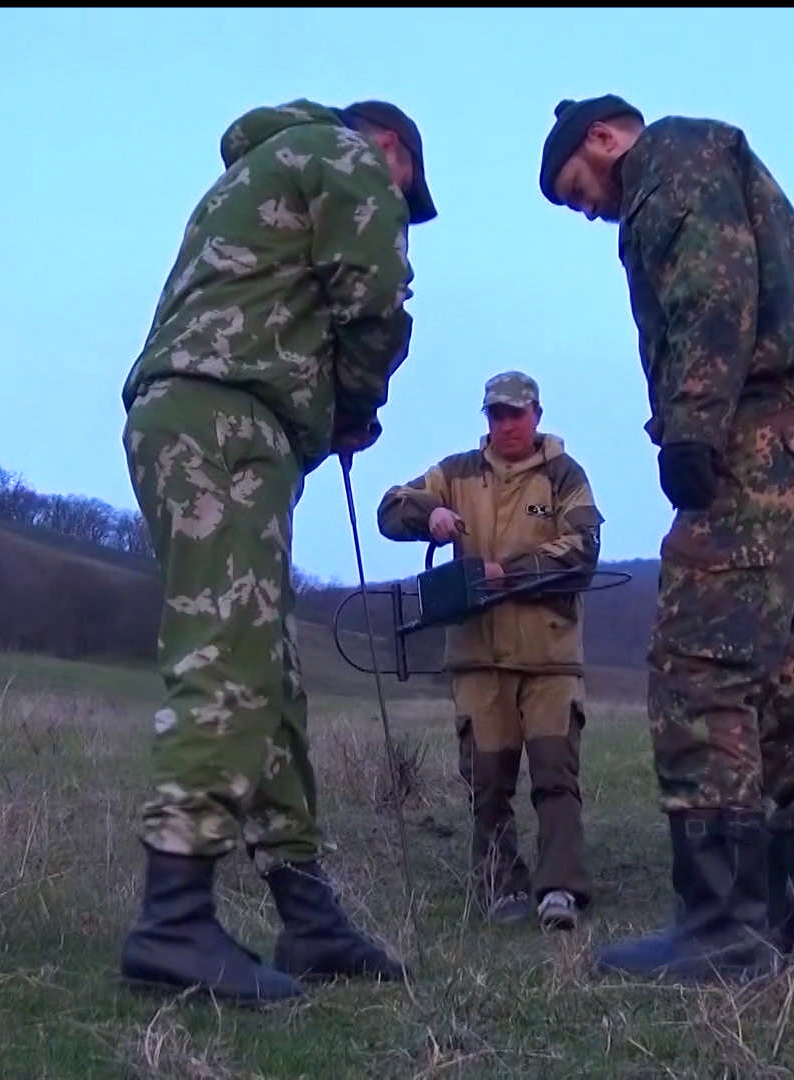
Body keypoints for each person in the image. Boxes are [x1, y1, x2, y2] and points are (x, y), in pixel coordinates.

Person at [539, 93, 794, 982]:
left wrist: (691, 425)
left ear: (603, 140)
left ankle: (724, 927)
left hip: (752, 435)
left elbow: (711, 289)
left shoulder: (673, 161)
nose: (589, 212)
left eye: (580, 190)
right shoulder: (702, 161)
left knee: (699, 665)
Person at [117, 98, 436, 1006]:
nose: (396, 202)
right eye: (404, 188)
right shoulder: (344, 154)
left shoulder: (256, 173)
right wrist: (356, 401)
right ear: (391, 151)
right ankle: (173, 918)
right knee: (229, 657)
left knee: (269, 670)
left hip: (209, 417)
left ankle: (307, 914)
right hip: (225, 418)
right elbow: (374, 296)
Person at [375, 371, 604, 932]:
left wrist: (512, 573)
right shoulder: (455, 472)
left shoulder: (564, 475)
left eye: (515, 414)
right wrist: (428, 515)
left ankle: (560, 890)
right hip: (478, 659)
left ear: (537, 415)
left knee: (555, 776)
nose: (505, 425)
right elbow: (390, 507)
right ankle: (501, 884)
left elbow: (583, 550)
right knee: (487, 781)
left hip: (549, 657)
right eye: (496, 415)